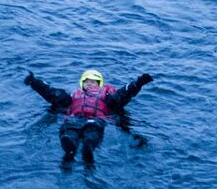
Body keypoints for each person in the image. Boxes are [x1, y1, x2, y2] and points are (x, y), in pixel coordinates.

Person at [24, 68, 153, 165]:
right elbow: (51, 92)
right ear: (82, 84)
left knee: (92, 132)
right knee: (68, 131)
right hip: (74, 119)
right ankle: (70, 146)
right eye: (87, 82)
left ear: (100, 84)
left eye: (94, 82)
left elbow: (124, 93)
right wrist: (34, 82)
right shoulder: (73, 96)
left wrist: (140, 82)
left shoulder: (107, 96)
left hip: (96, 120)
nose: (90, 84)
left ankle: (88, 146)